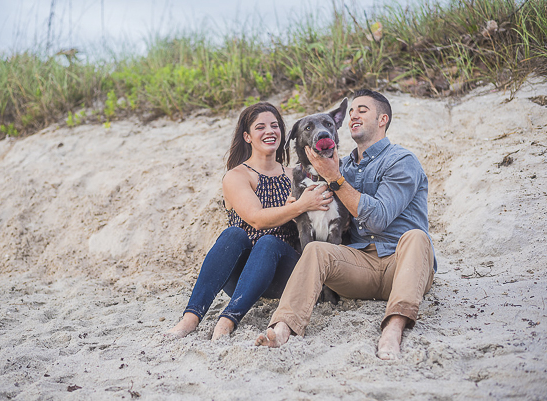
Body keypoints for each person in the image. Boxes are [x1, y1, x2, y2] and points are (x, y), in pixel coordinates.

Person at [255, 89, 437, 360]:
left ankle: (394, 328)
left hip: (403, 264)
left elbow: (378, 218)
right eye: (351, 112)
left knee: (417, 237)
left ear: (383, 119)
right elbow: (318, 210)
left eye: (362, 110)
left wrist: (335, 178)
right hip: (360, 266)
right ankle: (283, 327)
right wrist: (299, 205)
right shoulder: (345, 167)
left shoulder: (401, 160)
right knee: (315, 249)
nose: (353, 116)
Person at [167, 102, 332, 341]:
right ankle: (190, 319)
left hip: (284, 273)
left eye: (275, 126)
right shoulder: (236, 176)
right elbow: (256, 219)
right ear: (247, 136)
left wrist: (301, 209)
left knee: (269, 243)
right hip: (241, 278)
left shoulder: (295, 175)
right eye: (260, 127)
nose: (270, 131)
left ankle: (227, 320)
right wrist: (300, 206)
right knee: (234, 234)